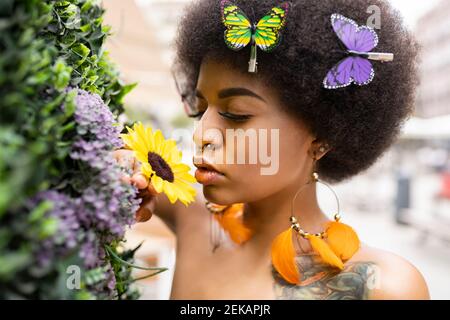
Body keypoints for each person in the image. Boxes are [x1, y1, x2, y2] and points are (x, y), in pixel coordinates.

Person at [114, 0, 429, 299]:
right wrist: (119, 169)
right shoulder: (193, 217)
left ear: (322, 135)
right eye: (200, 109)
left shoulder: (382, 287)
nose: (201, 134)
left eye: (236, 113)